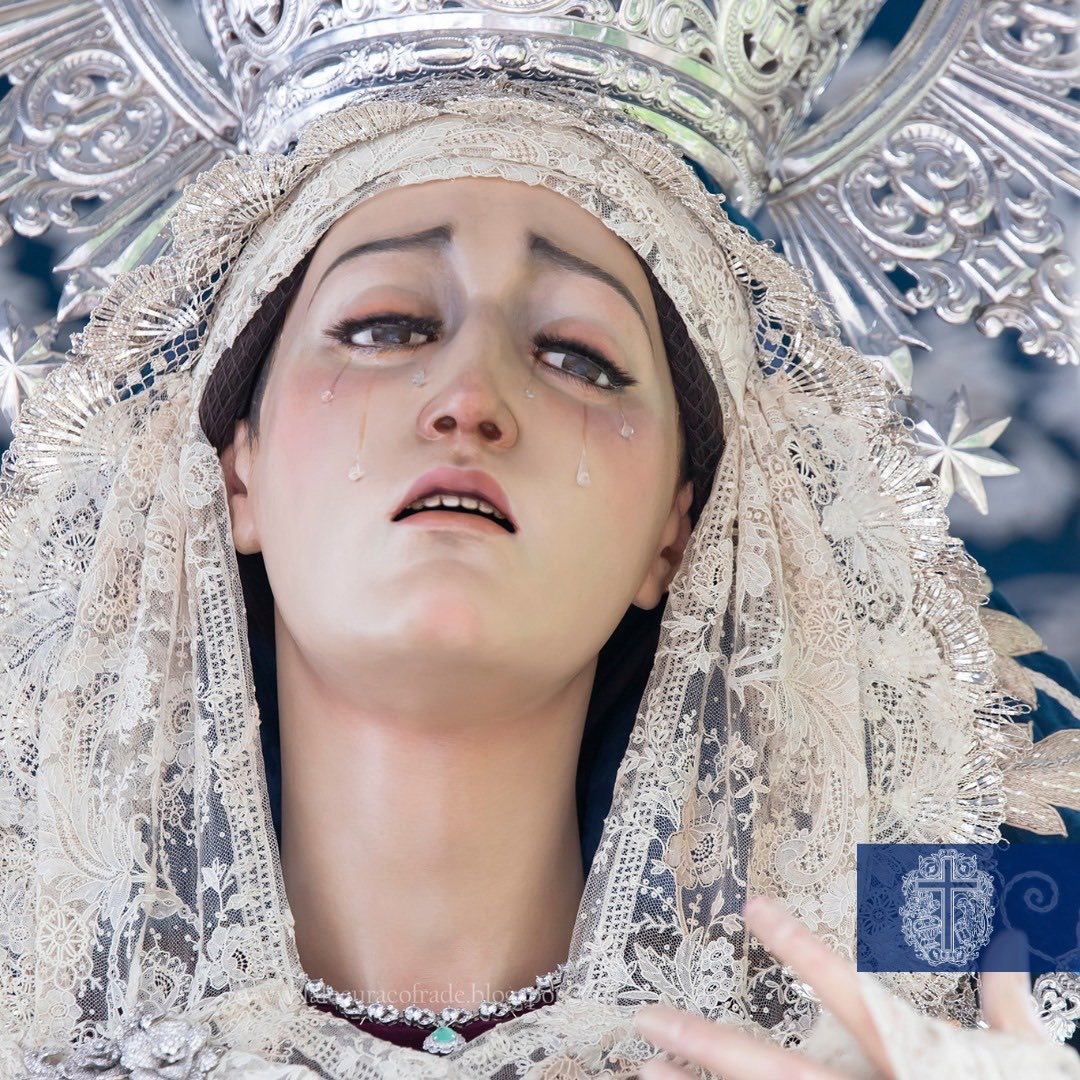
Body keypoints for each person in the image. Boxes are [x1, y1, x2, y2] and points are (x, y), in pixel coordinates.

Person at [1, 83, 1078, 1079]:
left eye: (577, 353)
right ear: (235, 471)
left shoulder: (968, 960)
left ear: (677, 529)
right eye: (387, 327)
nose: (471, 397)